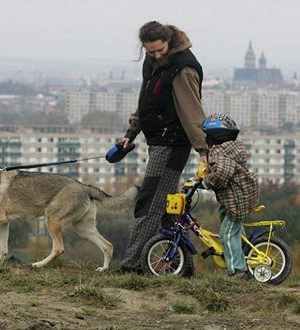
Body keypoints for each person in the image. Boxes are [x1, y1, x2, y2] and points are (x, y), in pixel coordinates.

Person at [119, 21, 208, 273]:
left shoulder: (183, 69)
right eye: (151, 52)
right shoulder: (153, 62)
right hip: (157, 139)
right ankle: (184, 269)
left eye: (160, 50)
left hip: (173, 144)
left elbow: (193, 113)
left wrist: (203, 151)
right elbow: (145, 98)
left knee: (149, 201)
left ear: (169, 41)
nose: (157, 56)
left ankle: (132, 266)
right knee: (170, 207)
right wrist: (132, 131)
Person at [200, 113, 260, 279]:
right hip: (238, 197)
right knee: (226, 218)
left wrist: (206, 182)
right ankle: (240, 249)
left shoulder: (219, 154)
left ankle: (237, 271)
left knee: (226, 233)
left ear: (215, 136)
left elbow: (221, 175)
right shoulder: (229, 151)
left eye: (207, 136)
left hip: (237, 200)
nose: (206, 139)